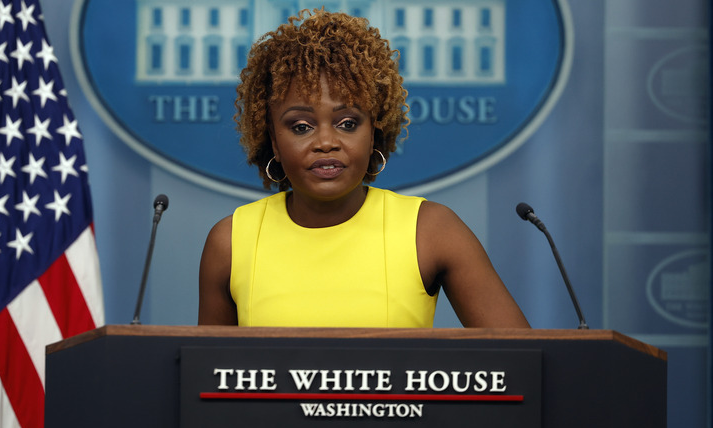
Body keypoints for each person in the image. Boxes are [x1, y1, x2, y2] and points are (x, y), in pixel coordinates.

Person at [198, 9, 529, 328]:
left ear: (374, 132)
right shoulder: (231, 241)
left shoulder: (431, 232)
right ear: (273, 139)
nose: (326, 141)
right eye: (301, 126)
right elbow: (207, 378)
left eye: (347, 123)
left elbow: (523, 364)